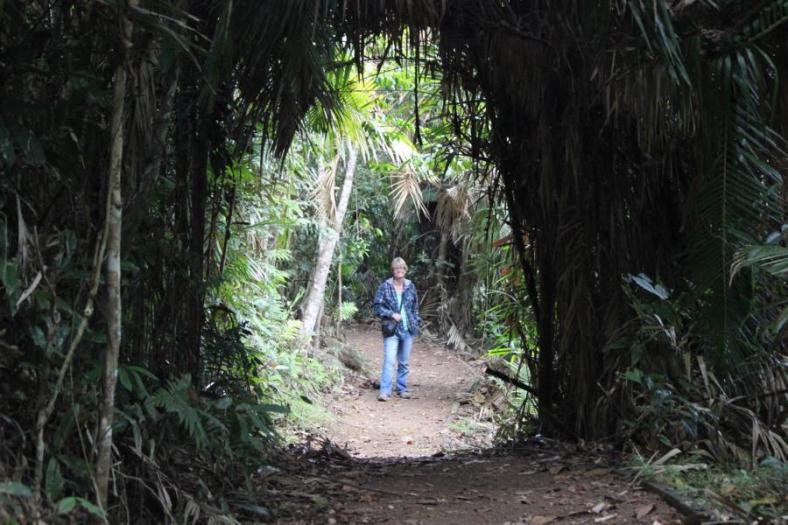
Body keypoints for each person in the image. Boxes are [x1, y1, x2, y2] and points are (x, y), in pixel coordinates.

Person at [373, 257, 421, 401]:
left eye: (401, 268)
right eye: (396, 268)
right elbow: (377, 307)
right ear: (393, 270)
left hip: (408, 329)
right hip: (392, 330)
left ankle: (402, 388)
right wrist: (391, 314)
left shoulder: (410, 286)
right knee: (389, 360)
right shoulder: (385, 286)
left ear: (405, 270)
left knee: (404, 362)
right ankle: (385, 391)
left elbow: (415, 306)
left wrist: (416, 320)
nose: (399, 270)